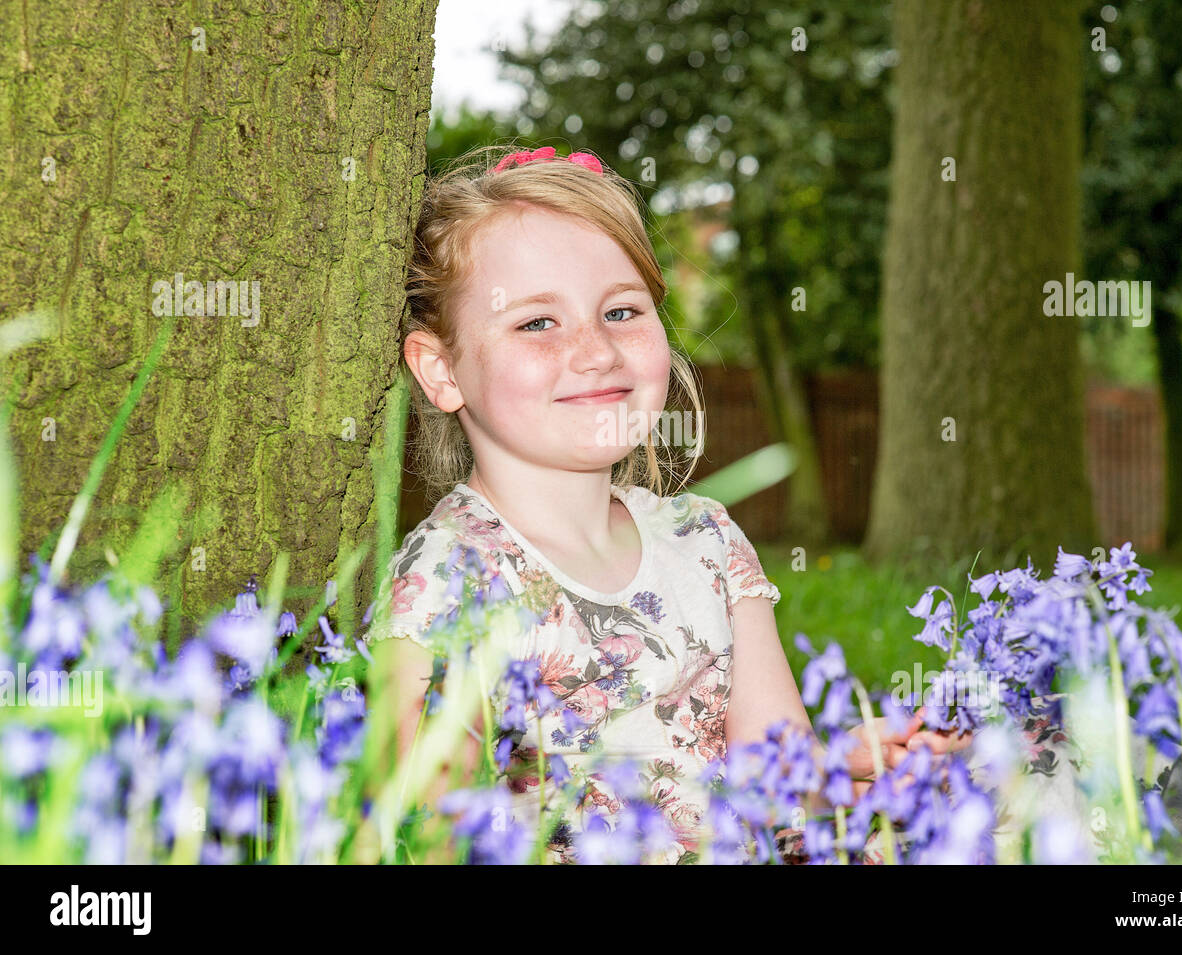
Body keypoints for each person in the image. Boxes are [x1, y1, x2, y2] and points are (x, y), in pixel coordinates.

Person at [361, 142, 969, 864]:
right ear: (441, 368)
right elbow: (431, 836)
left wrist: (841, 769)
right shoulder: (444, 579)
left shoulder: (706, 540)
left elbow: (774, 781)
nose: (595, 351)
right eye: (536, 323)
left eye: (621, 311)